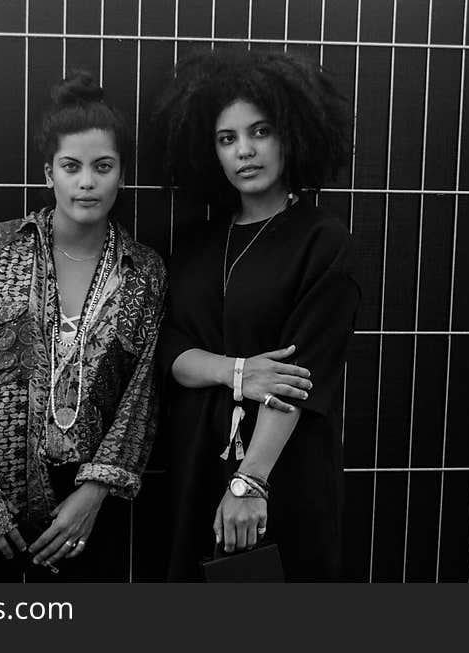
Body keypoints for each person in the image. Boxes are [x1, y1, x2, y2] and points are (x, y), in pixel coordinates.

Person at [0, 71, 167, 581]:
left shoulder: (143, 273)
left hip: (79, 518)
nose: (87, 181)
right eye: (71, 166)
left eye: (103, 167)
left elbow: (141, 393)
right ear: (48, 173)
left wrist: (95, 491)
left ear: (122, 176)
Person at [152, 49, 360, 581]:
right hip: (196, 463)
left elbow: (298, 374)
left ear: (291, 134)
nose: (244, 151)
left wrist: (250, 483)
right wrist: (237, 371)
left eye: (260, 132)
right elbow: (170, 351)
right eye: (227, 139)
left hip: (279, 473)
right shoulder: (196, 245)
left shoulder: (322, 241)